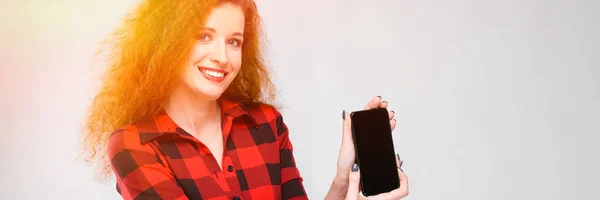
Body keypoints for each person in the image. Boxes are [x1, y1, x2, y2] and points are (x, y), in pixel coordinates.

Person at [82, 0, 408, 199]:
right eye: (204, 36)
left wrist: (342, 180)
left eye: (234, 41)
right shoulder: (134, 145)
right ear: (166, 42)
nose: (222, 57)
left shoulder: (265, 123)